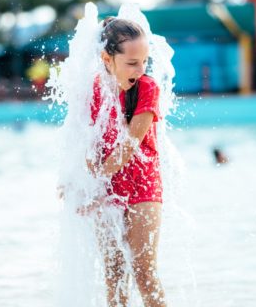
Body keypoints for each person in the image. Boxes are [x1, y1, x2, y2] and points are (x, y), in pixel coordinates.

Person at [85, 17, 166, 307]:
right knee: (115, 275)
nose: (140, 69)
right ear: (108, 58)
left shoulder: (147, 89)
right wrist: (78, 185)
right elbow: (88, 148)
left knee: (144, 272)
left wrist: (94, 186)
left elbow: (128, 147)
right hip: (109, 188)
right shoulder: (93, 91)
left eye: (144, 61)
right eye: (132, 63)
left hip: (143, 188)